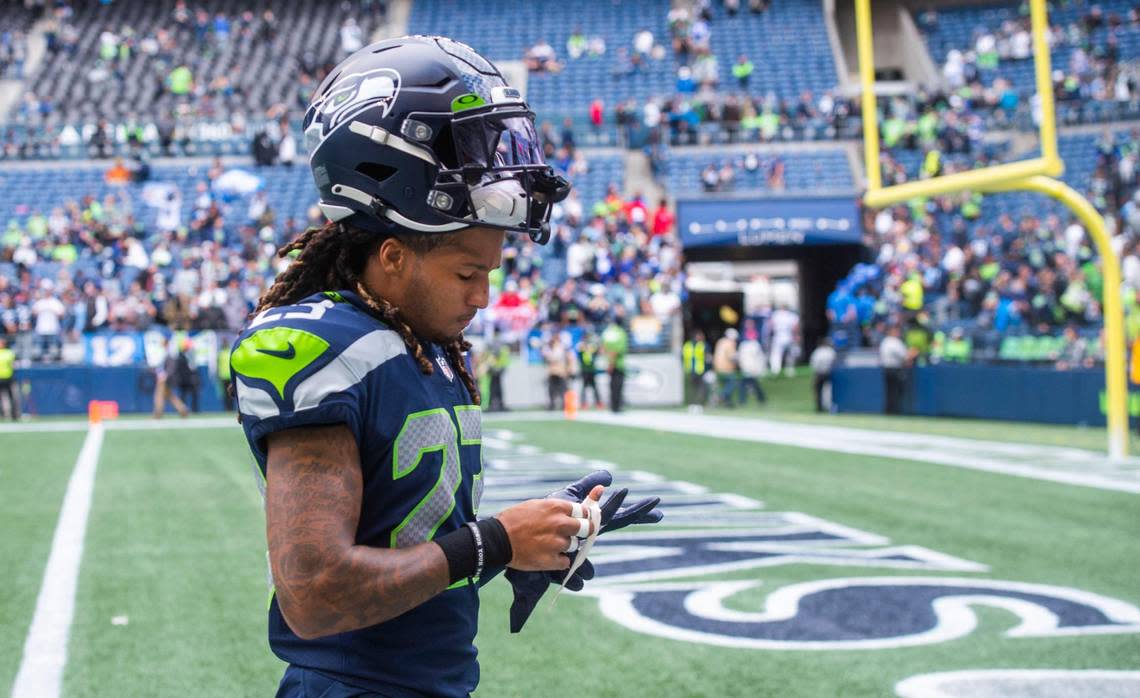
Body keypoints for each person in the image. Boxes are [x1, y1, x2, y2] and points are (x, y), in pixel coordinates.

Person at [228, 37, 661, 698]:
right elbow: (314, 594)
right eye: (466, 272)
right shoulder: (324, 346)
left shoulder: (423, 345)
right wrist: (491, 544)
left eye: (489, 272)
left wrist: (523, 550)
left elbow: (413, 542)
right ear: (395, 256)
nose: (483, 296)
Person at [153, 337, 190, 419]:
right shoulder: (165, 352)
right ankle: (182, 409)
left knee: (158, 395)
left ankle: (158, 413)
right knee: (170, 396)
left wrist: (165, 375)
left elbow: (171, 367)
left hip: (164, 378)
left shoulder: (170, 352)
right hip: (164, 377)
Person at [601, 311, 629, 413]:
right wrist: (612, 363)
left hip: (608, 362)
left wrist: (608, 362)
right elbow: (617, 351)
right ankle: (617, 406)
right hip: (618, 364)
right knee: (618, 386)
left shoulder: (607, 332)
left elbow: (603, 348)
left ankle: (613, 406)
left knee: (612, 386)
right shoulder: (621, 333)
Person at [880, 325, 909, 414]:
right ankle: (894, 411)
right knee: (895, 392)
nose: (898, 333)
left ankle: (889, 411)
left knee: (890, 392)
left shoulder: (885, 341)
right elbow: (905, 356)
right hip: (895, 369)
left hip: (887, 369)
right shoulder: (895, 342)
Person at [736, 324, 767, 405]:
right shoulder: (753, 345)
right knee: (752, 384)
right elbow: (760, 358)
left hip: (749, 368)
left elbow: (758, 358)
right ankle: (761, 399)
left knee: (747, 384)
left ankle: (744, 401)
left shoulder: (746, 345)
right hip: (750, 368)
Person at [681, 330, 708, 409]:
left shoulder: (687, 345)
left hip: (694, 370)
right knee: (697, 388)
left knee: (697, 388)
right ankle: (695, 403)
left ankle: (696, 404)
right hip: (697, 370)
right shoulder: (702, 345)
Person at [712, 328, 739, 407]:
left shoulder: (720, 341)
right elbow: (731, 357)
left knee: (725, 384)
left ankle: (728, 403)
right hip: (726, 368)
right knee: (733, 382)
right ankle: (721, 396)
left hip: (717, 367)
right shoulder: (730, 343)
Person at [809, 337, 837, 413]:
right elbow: (834, 362)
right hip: (829, 373)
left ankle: (819, 408)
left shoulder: (817, 352)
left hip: (819, 373)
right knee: (828, 390)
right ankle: (829, 407)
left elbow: (813, 364)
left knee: (818, 391)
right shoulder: (831, 351)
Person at [577, 331, 604, 409]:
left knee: (594, 387)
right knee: (584, 387)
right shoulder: (581, 346)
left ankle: (598, 403)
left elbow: (598, 352)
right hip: (584, 370)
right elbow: (579, 354)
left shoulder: (592, 346)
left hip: (591, 370)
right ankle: (583, 403)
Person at [0, 337, 19, 420]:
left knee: (13, 397)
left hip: (9, 377)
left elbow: (14, 364)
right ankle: (3, 414)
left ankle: (14, 414)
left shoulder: (9, 353)